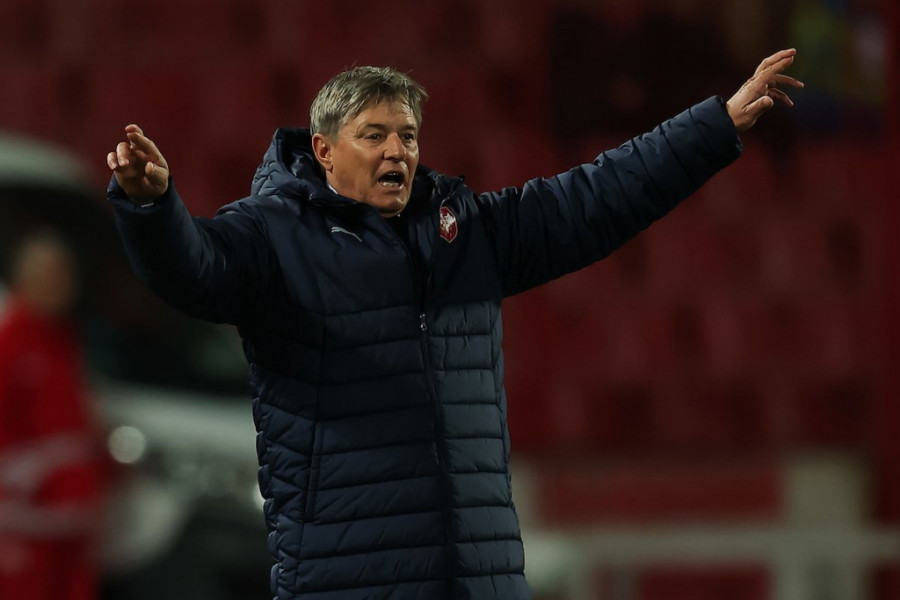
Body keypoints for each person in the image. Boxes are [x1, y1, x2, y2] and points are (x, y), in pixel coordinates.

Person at [106, 49, 803, 600]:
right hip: (347, 577)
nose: (397, 151)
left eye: (407, 136)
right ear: (324, 150)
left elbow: (594, 198)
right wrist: (152, 207)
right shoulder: (271, 235)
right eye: (374, 135)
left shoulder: (464, 231)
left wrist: (712, 127)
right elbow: (193, 270)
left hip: (479, 575)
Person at [0, 233, 107, 600]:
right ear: (24, 277)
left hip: (71, 517)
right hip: (22, 522)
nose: (62, 285)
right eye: (51, 274)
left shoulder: (64, 340)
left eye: (66, 276)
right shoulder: (8, 341)